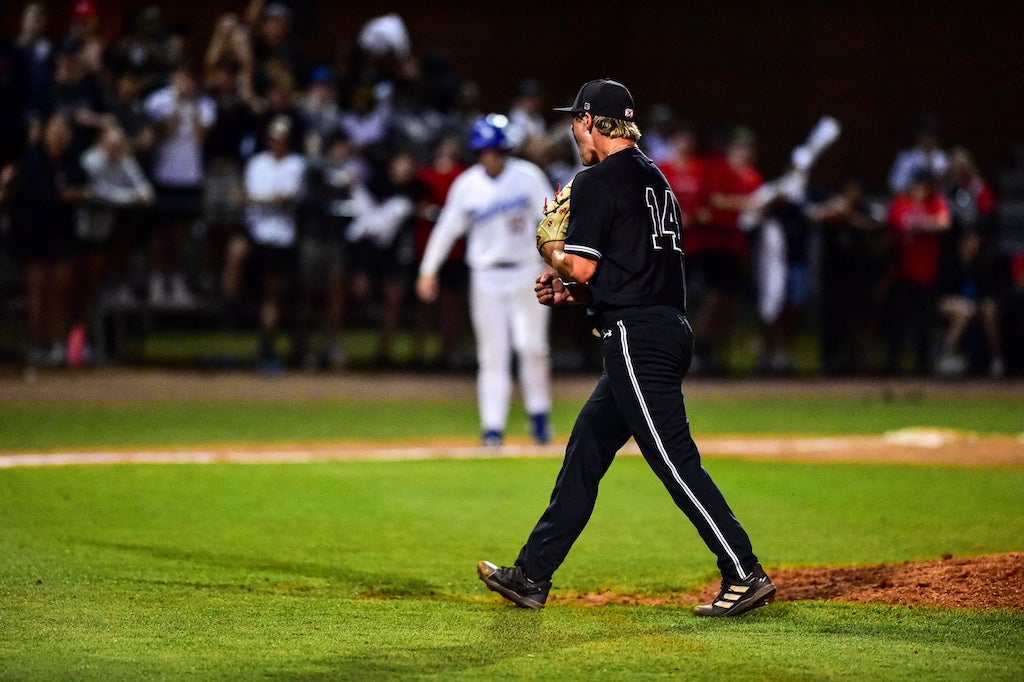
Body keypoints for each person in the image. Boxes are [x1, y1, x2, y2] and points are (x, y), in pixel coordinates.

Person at [476, 79, 774, 617]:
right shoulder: (655, 179)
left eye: (575, 120)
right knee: (586, 451)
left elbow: (583, 262)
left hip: (638, 338)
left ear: (590, 121)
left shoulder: (597, 180)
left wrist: (551, 250)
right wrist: (573, 294)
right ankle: (531, 575)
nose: (571, 130)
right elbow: (630, 270)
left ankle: (743, 570)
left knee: (673, 460)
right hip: (659, 326)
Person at [416, 114, 554, 446]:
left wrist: (557, 262)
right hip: (486, 276)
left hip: (527, 270)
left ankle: (539, 416)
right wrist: (428, 269)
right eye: (485, 149)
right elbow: (447, 227)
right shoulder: (468, 184)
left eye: (497, 149)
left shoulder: (528, 177)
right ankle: (492, 426)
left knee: (531, 347)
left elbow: (553, 218)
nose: (491, 155)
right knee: (492, 354)